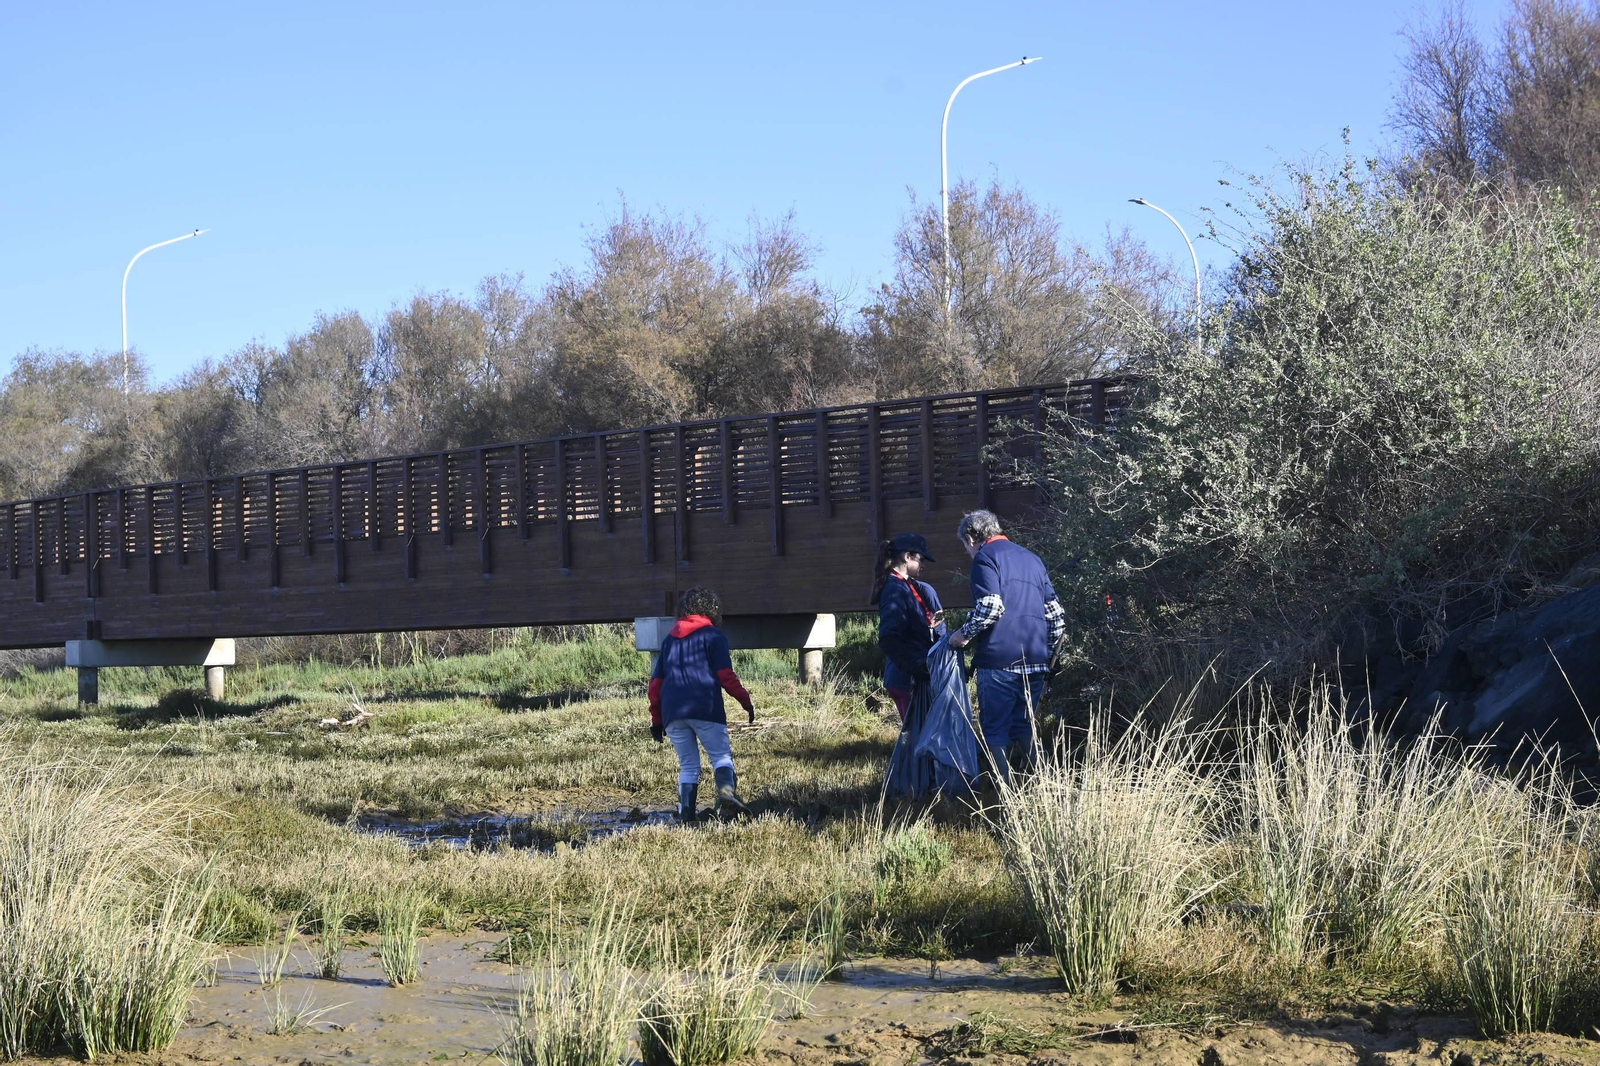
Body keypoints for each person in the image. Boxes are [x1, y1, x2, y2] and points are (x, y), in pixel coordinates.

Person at [947, 509, 1066, 785]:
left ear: (971, 537)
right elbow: (1057, 616)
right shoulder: (1032, 559)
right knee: (1024, 725)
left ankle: (1006, 791)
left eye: (965, 546)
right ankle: (1045, 784)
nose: (967, 552)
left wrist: (963, 634)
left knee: (995, 730)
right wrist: (1047, 656)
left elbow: (991, 607)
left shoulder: (985, 559)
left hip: (999, 661)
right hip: (1036, 661)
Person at [647, 587, 755, 822]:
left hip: (672, 713)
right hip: (705, 708)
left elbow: (655, 685)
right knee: (720, 757)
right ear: (712, 610)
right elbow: (726, 675)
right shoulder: (714, 636)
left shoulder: (668, 640)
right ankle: (727, 794)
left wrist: (657, 721)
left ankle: (686, 815)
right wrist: (745, 702)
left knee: (688, 765)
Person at [871, 532, 946, 722]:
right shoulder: (895, 588)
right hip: (905, 679)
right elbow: (889, 637)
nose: (923, 565)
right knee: (917, 738)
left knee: (920, 735)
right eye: (920, 559)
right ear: (907, 557)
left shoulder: (906, 585)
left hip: (906, 676)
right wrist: (916, 667)